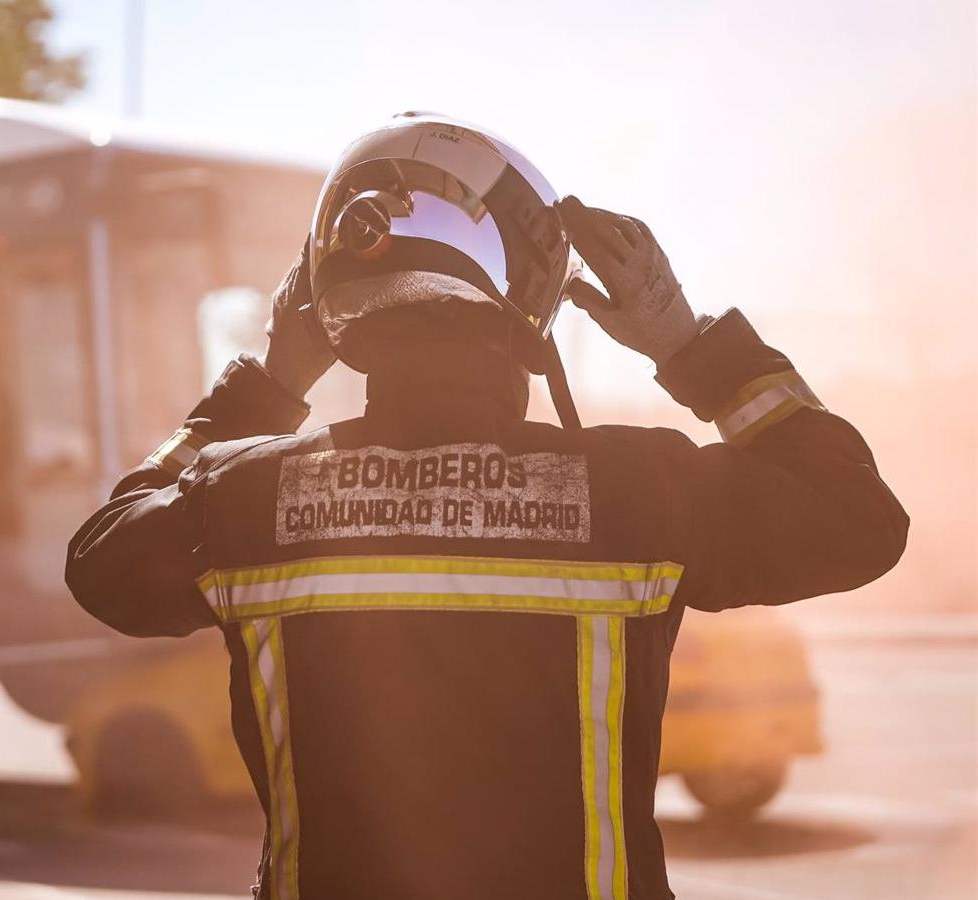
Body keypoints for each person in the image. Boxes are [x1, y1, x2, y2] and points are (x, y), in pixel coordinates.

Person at [64, 112, 908, 900]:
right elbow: (859, 517)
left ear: (327, 307)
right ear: (531, 295)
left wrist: (269, 380)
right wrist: (692, 345)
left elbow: (100, 558)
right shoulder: (640, 489)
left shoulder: (243, 498)